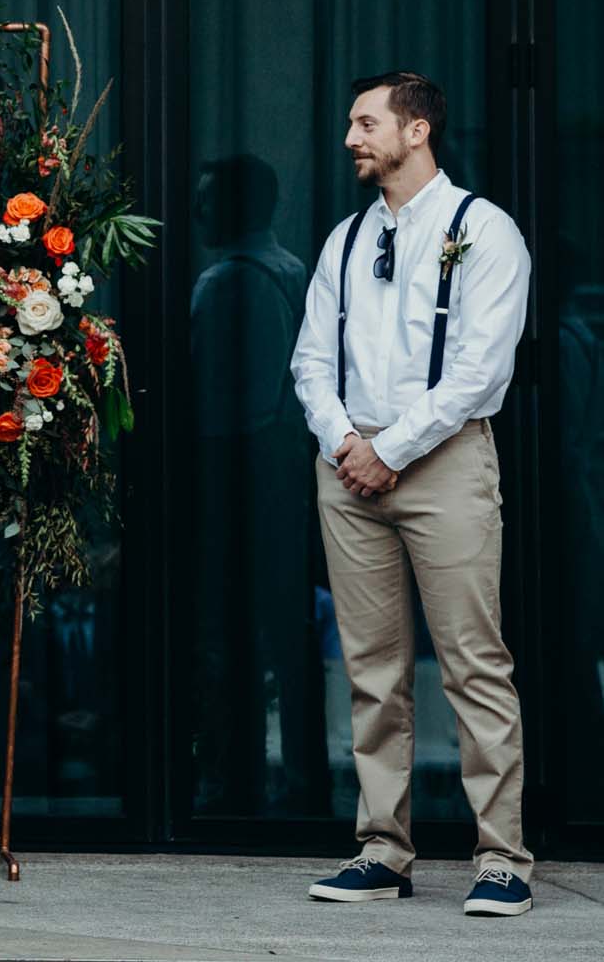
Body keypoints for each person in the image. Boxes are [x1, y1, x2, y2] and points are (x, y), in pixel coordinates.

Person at [289, 71, 535, 917]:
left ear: (416, 128)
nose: (352, 138)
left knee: (473, 663)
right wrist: (344, 443)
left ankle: (502, 858)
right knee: (371, 670)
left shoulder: (484, 231)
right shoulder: (346, 238)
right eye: (352, 124)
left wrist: (388, 450)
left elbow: (479, 370)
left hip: (444, 467)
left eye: (366, 123)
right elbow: (309, 360)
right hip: (347, 468)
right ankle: (381, 850)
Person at [189, 155, 322, 814]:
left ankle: (231, 774)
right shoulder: (292, 270)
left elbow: (227, 402)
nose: (197, 213)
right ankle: (301, 772)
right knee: (285, 627)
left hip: (243, 472)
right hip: (287, 469)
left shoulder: (225, 285)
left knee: (229, 626)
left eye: (207, 202)